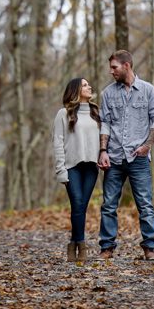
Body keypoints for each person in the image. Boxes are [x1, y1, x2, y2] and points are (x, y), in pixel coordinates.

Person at [96, 50, 154, 261]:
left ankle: (150, 247)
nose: (111, 71)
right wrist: (103, 151)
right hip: (114, 157)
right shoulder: (108, 93)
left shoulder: (148, 91)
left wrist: (147, 145)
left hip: (139, 158)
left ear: (127, 66)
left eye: (114, 67)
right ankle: (106, 248)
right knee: (108, 204)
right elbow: (105, 123)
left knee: (145, 204)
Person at [52, 78, 101, 262]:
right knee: (77, 203)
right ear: (76, 90)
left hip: (91, 167)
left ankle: (73, 244)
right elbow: (57, 142)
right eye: (85, 85)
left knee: (81, 207)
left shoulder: (97, 113)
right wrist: (60, 170)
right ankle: (81, 244)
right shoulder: (63, 114)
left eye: (89, 84)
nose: (89, 87)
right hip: (71, 166)